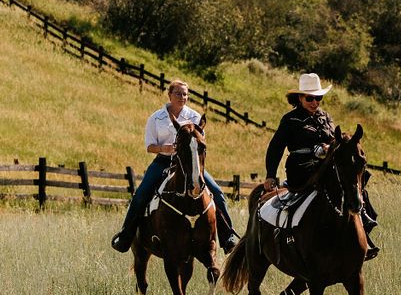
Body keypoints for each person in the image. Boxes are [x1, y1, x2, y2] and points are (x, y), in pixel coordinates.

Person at [112, 80, 239, 253]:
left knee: (217, 192)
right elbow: (149, 146)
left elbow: (201, 143)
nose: (182, 97)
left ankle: (228, 237)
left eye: (185, 94)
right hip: (163, 161)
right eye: (178, 93)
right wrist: (163, 148)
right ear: (169, 95)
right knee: (141, 195)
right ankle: (126, 236)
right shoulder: (156, 118)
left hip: (190, 164)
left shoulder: (195, 117)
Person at [264, 72, 379, 259]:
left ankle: (363, 226)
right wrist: (270, 174)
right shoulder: (290, 120)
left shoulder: (326, 117)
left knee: (356, 179)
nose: (315, 102)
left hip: (324, 166)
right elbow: (275, 148)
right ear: (299, 98)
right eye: (310, 98)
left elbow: (334, 140)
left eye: (318, 98)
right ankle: (293, 236)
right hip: (301, 168)